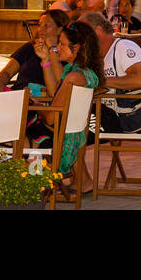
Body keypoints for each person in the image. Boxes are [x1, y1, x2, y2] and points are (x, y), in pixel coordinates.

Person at [27, 21, 102, 176]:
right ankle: (36, 181)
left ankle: (35, 182)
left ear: (76, 48)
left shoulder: (73, 76)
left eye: (62, 44)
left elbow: (50, 118)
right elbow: (56, 92)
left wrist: (35, 105)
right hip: (69, 134)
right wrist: (45, 60)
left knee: (14, 135)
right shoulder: (83, 73)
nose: (57, 48)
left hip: (60, 139)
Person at [84, 12, 141, 135]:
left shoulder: (123, 46)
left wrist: (101, 81)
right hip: (111, 113)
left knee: (76, 129)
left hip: (131, 115)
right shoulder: (95, 55)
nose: (80, 37)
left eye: (83, 32)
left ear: (98, 31)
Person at [0, 9, 70, 92]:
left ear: (60, 29)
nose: (40, 29)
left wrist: (52, 48)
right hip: (18, 95)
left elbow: (60, 86)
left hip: (39, 100)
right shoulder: (30, 47)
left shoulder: (64, 54)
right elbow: (7, 72)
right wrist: (0, 87)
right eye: (39, 25)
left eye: (46, 26)